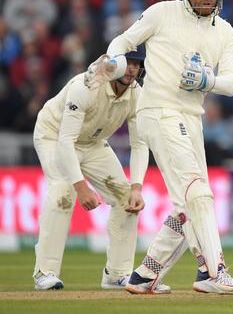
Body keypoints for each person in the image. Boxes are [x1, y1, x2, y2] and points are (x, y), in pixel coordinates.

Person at [84, 0, 233, 295]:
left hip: (191, 116)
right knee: (197, 192)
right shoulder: (162, 13)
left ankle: (146, 275)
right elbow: (123, 42)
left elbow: (230, 84)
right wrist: (114, 65)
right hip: (158, 110)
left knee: (186, 205)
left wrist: (207, 79)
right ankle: (215, 272)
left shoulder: (226, 32)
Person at [32, 46, 156, 291]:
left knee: (125, 198)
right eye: (129, 62)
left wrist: (136, 187)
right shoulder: (87, 85)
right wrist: (81, 187)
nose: (133, 69)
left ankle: (117, 274)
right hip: (54, 135)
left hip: (92, 143)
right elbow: (66, 141)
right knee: (62, 193)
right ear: (115, 62)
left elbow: (140, 143)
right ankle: (44, 273)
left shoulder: (137, 95)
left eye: (137, 64)